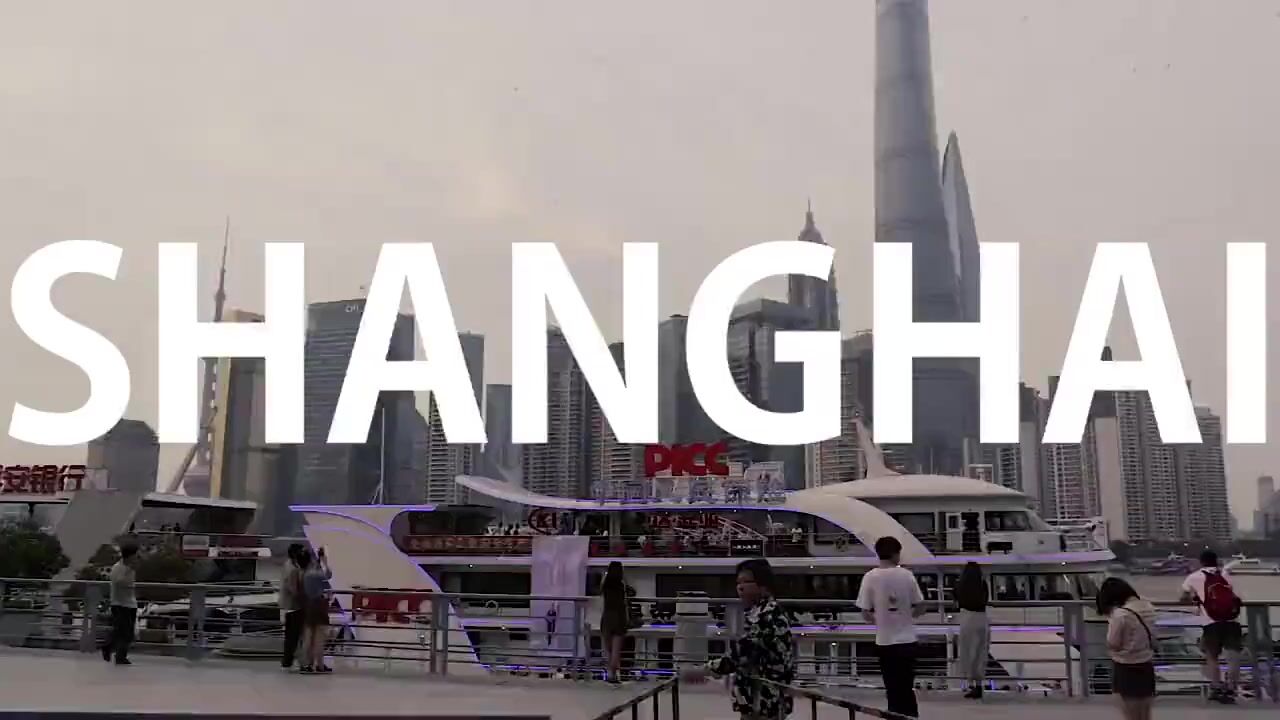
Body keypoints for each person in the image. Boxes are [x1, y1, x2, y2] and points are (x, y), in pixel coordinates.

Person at [703, 559, 795, 720]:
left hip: (766, 700)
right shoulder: (757, 613)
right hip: (756, 698)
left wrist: (709, 668)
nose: (740, 587)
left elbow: (742, 654)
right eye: (738, 583)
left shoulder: (767, 615)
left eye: (746, 582)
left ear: (764, 585)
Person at [857, 536, 925, 718]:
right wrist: (907, 617)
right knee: (906, 687)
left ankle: (894, 716)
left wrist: (880, 620)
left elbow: (865, 613)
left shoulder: (870, 577)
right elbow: (920, 606)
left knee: (892, 688)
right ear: (896, 553)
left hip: (885, 641)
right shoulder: (907, 575)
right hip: (908, 640)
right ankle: (911, 716)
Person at [1180, 550, 1243, 704]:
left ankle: (1216, 687)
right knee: (1233, 656)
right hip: (1231, 620)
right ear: (1216, 561)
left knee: (1212, 656)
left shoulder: (1194, 576)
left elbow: (1183, 598)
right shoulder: (1225, 575)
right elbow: (1234, 596)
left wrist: (1195, 598)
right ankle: (1231, 688)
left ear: (1201, 561)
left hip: (1211, 621)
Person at [1098, 577, 1158, 720]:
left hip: (1126, 666)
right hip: (1146, 663)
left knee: (1131, 713)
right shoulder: (1149, 607)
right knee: (1145, 713)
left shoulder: (1121, 614)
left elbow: (1113, 643)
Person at [954, 561, 990, 699]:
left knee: (967, 652)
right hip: (981, 618)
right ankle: (979, 685)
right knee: (980, 653)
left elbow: (957, 601)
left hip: (967, 618)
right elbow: (985, 600)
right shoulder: (982, 584)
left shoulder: (960, 584)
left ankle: (970, 683)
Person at [101, 544, 139, 665]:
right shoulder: (118, 567)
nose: (137, 557)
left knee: (128, 632)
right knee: (121, 630)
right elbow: (118, 582)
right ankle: (108, 647)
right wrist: (128, 570)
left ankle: (121, 656)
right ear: (130, 556)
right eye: (135, 555)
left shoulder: (131, 568)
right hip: (119, 604)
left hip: (131, 603)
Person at [298, 548, 334, 674]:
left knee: (308, 636)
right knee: (319, 637)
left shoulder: (303, 573)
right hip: (319, 605)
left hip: (308, 605)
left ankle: (307, 663)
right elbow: (328, 575)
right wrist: (324, 561)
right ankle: (319, 664)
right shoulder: (314, 574)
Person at [599, 561, 629, 684]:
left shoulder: (605, 585)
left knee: (608, 649)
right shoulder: (621, 586)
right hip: (619, 617)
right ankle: (613, 674)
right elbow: (625, 601)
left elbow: (600, 592)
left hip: (607, 617)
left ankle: (610, 674)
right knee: (616, 650)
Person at [278, 543, 305, 669]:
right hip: (293, 605)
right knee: (293, 634)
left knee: (290, 634)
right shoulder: (293, 569)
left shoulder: (288, 564)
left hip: (287, 604)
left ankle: (287, 659)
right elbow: (293, 589)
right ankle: (289, 659)